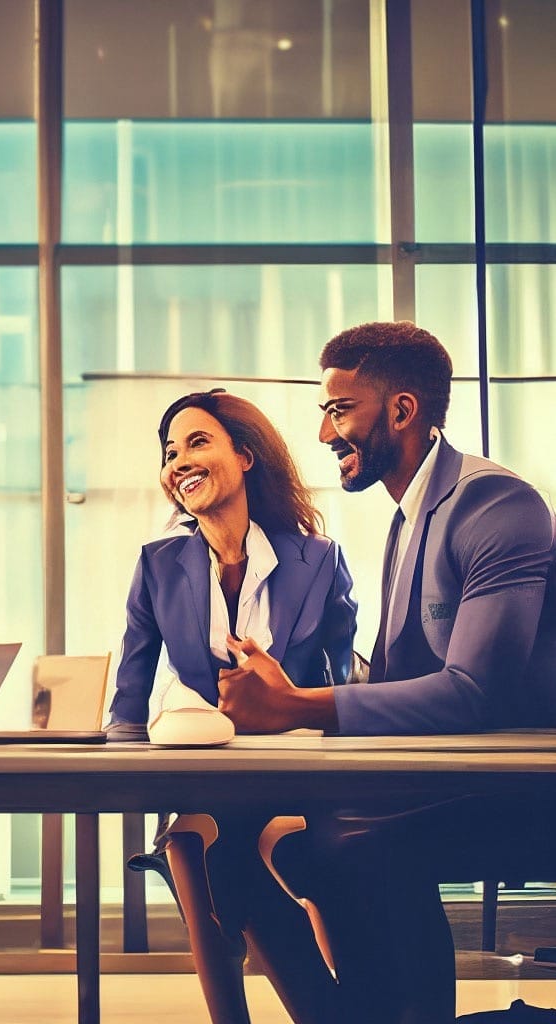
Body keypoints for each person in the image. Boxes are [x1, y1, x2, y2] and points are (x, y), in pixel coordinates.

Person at [218, 321, 556, 1023]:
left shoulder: (496, 505)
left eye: (340, 410)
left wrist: (298, 705)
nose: (324, 433)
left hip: (527, 789)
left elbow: (474, 692)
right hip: (455, 775)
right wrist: (292, 680)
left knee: (337, 846)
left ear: (402, 410)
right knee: (232, 840)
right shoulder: (410, 517)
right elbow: (395, 678)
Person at [108, 389, 358, 1024]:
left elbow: (346, 691)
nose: (179, 462)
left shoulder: (318, 560)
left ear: (245, 456)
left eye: (197, 442)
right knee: (205, 840)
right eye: (170, 452)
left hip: (297, 779)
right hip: (210, 775)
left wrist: (293, 706)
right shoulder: (159, 564)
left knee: (215, 852)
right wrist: (120, 772)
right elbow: (130, 697)